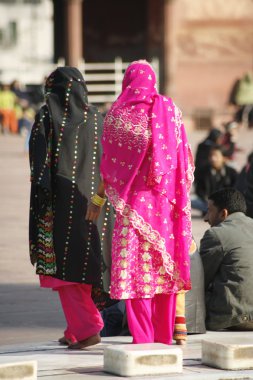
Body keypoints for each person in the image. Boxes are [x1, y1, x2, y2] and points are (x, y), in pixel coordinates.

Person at [86, 60, 194, 344]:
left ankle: (142, 339)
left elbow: (109, 169)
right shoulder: (169, 111)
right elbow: (182, 161)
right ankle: (164, 339)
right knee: (163, 275)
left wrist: (97, 200)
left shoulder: (118, 116)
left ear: (127, 81)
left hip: (130, 210)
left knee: (136, 276)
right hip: (164, 209)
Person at [29, 67, 114, 349]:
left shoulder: (47, 115)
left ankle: (88, 328)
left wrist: (42, 199)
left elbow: (39, 164)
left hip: (61, 203)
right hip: (95, 204)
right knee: (87, 263)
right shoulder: (97, 117)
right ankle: (75, 329)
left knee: (64, 269)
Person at [200, 188, 253, 330]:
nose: (205, 218)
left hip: (236, 317)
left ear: (223, 213)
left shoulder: (216, 234)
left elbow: (200, 280)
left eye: (209, 211)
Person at [192, 145, 238, 214]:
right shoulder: (203, 171)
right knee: (189, 201)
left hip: (226, 204)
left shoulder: (232, 172)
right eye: (211, 156)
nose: (213, 159)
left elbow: (236, 189)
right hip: (207, 203)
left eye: (216, 156)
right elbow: (199, 190)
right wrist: (207, 200)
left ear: (224, 158)